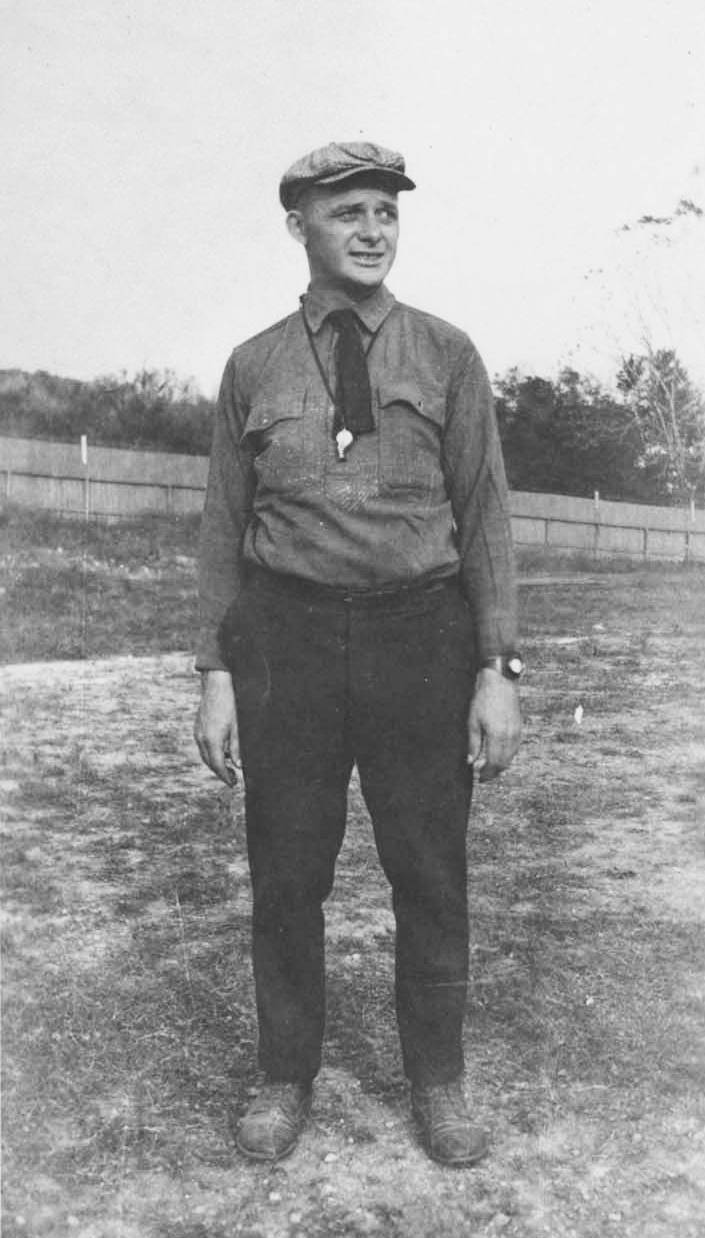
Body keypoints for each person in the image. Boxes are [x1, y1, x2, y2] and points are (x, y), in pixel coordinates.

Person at [194, 140, 522, 1168]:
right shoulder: (253, 365)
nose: (373, 230)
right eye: (349, 213)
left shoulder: (446, 354)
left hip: (418, 635)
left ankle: (438, 1080)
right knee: (286, 872)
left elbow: (486, 517)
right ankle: (283, 1075)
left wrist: (494, 667)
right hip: (284, 640)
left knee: (428, 871)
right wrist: (213, 672)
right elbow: (220, 528)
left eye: (385, 211)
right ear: (300, 225)